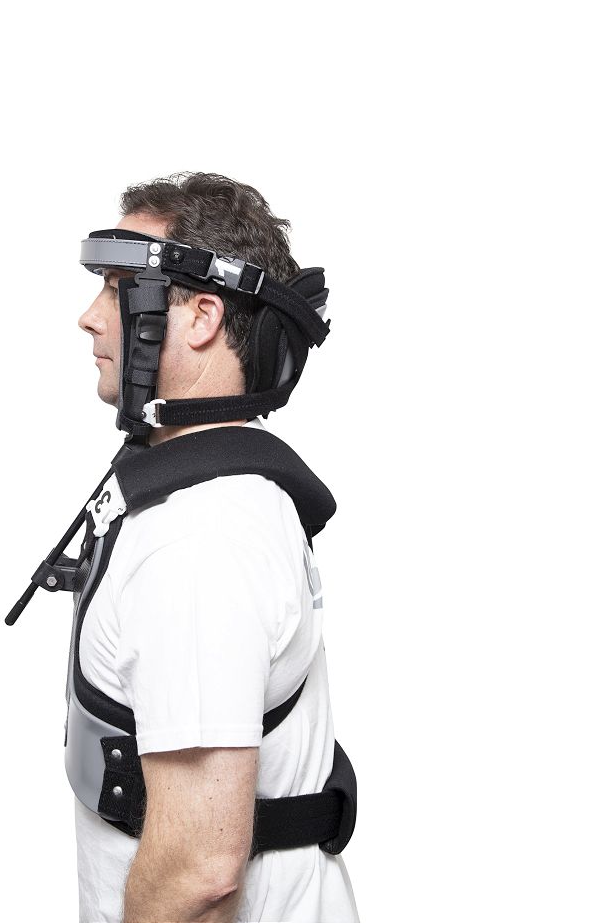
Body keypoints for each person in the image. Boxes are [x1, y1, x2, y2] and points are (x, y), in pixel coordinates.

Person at [67, 173, 360, 923]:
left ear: (202, 316)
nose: (88, 318)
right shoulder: (205, 497)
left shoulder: (200, 535)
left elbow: (199, 877)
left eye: (118, 289)